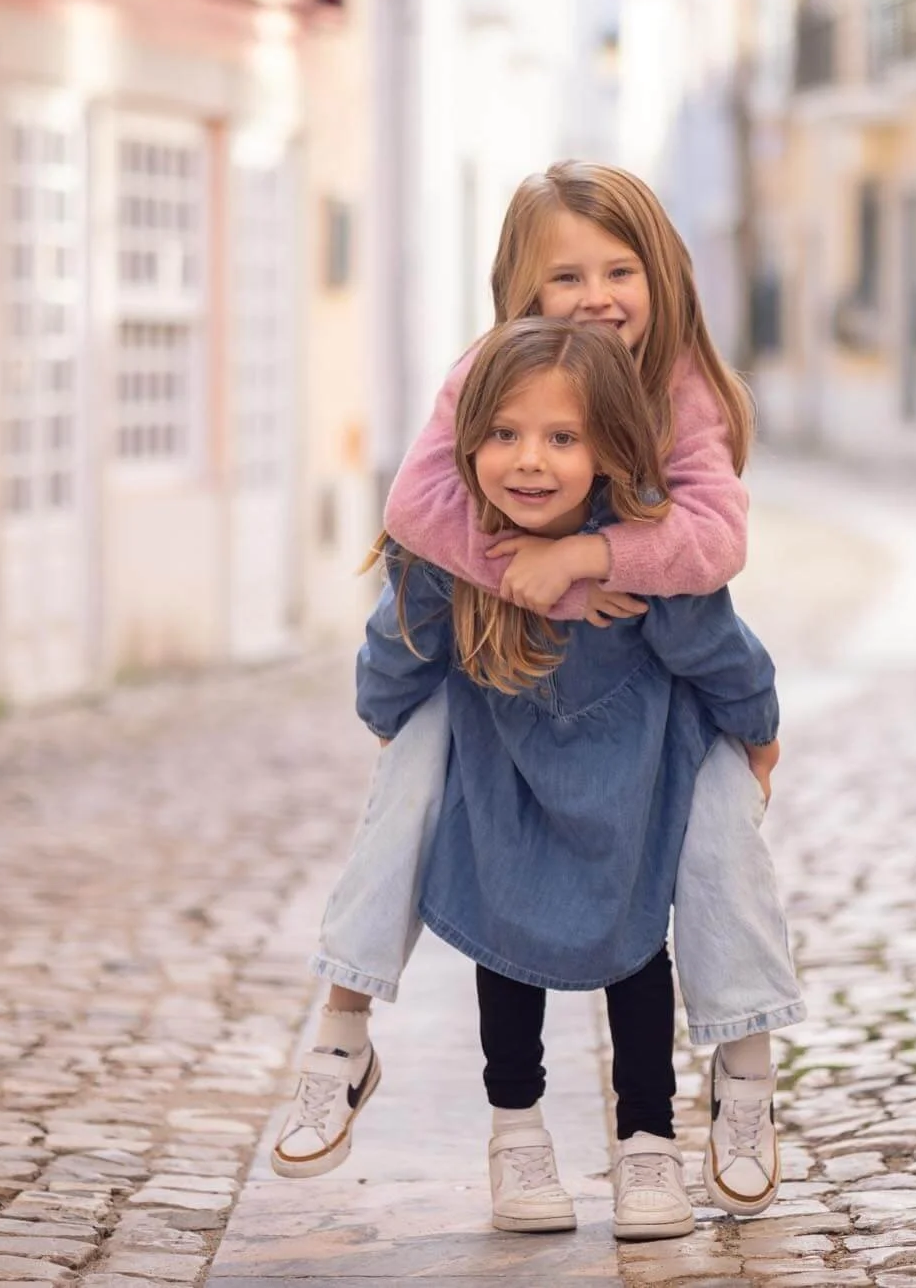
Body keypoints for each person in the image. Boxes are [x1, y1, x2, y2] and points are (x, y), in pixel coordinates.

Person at [273, 162, 798, 1218]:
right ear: (520, 287)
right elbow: (417, 511)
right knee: (409, 779)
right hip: (490, 702)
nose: (596, 295)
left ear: (660, 273)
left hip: (648, 715)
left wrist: (590, 557)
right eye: (564, 274)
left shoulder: (679, 384)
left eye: (619, 268)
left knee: (717, 845)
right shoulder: (486, 377)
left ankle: (738, 1066)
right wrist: (527, 558)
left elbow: (714, 549)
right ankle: (341, 1031)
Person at [352, 316, 780, 1239]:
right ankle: (516, 1137)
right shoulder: (451, 556)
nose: (529, 462)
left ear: (609, 450)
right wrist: (392, 725)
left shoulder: (641, 555)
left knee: (636, 958)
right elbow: (398, 646)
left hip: (625, 790)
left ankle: (648, 1145)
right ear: (466, 446)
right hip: (506, 786)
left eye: (561, 438)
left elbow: (720, 648)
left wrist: (760, 731)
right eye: (503, 434)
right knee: (506, 954)